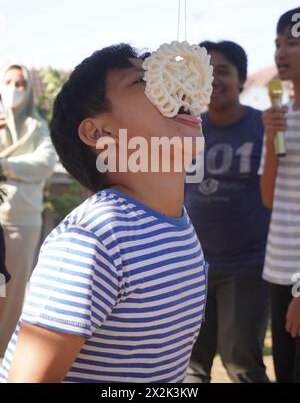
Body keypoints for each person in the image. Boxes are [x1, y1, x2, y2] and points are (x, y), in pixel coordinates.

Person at [0, 44, 207, 383]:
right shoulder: (92, 240)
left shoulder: (177, 223)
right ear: (98, 133)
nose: (172, 88)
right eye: (144, 81)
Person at [185, 41, 271, 383]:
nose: (214, 80)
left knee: (242, 365)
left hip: (247, 267)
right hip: (191, 266)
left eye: (223, 71)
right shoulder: (186, 129)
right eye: (207, 73)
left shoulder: (265, 126)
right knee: (190, 367)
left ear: (242, 79)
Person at [0, 64, 56, 356]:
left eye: (20, 83)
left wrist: (6, 167)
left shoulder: (37, 127)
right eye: (8, 81)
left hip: (22, 223)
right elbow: (31, 166)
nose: (13, 88)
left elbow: (44, 164)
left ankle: (3, 358)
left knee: (11, 292)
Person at [259, 7, 300, 382]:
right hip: (278, 269)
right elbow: (269, 197)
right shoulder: (278, 115)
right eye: (277, 44)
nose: (280, 53)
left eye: (292, 43)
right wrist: (271, 138)